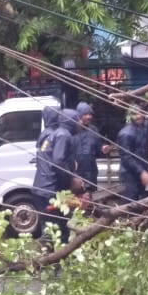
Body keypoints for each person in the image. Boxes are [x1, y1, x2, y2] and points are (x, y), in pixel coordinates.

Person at [31, 108, 79, 243]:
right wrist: (71, 179)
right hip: (50, 190)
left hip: (42, 187)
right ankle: (50, 259)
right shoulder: (63, 135)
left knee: (51, 227)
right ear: (72, 122)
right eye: (78, 121)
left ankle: (49, 257)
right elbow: (58, 161)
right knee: (57, 228)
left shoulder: (53, 134)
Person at [116, 105, 148, 201]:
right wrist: (141, 172)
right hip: (129, 175)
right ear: (130, 116)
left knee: (140, 201)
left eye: (141, 113)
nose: (139, 116)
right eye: (135, 114)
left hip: (141, 172)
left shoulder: (144, 127)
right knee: (130, 203)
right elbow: (126, 158)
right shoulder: (126, 134)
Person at [72, 101, 109, 198]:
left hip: (91, 172)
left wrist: (103, 150)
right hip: (76, 173)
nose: (89, 117)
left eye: (90, 114)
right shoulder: (71, 130)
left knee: (90, 198)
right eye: (85, 114)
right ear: (79, 115)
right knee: (76, 200)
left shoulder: (94, 130)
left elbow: (98, 151)